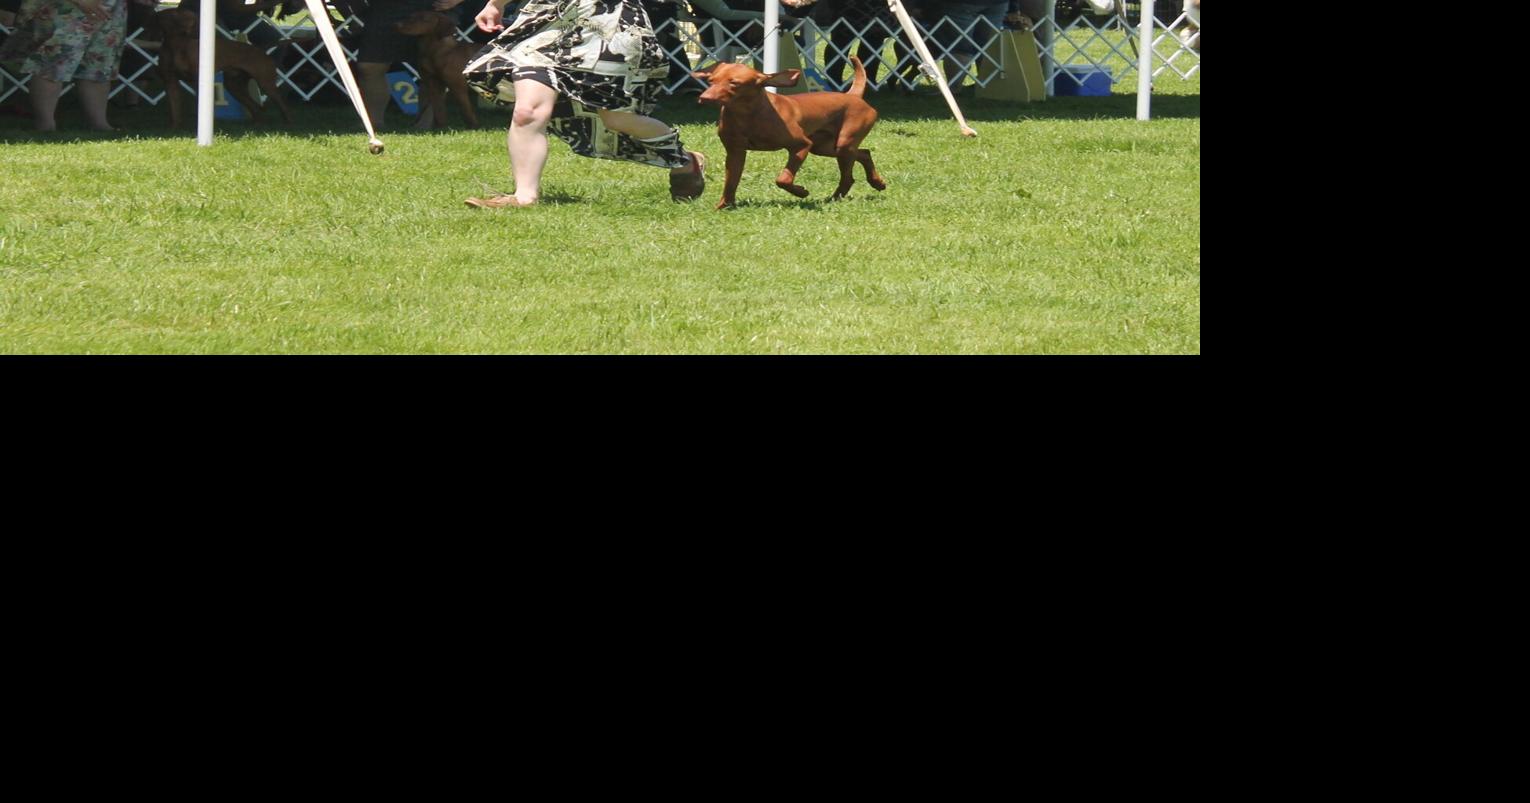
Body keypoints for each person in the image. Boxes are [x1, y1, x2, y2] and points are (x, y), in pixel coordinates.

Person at [460, 0, 705, 208]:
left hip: (609, 27)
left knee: (617, 119)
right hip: (549, 23)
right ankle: (524, 196)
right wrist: (495, 4)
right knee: (527, 111)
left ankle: (683, 159)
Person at [0, 0, 155, 131]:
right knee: (52, 66)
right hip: (63, 8)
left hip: (111, 8)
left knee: (98, 66)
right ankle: (45, 125)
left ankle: (100, 125)